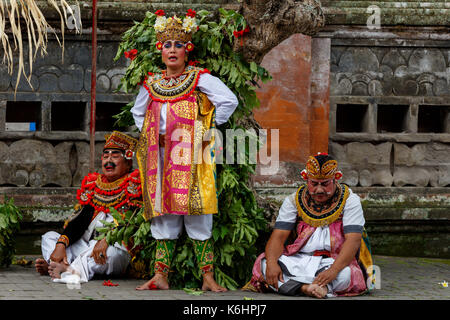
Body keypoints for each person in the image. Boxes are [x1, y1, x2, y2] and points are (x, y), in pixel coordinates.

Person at [131, 10, 238, 292]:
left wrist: (205, 131)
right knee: (164, 212)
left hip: (195, 156)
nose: (173, 50)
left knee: (198, 210)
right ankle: (160, 276)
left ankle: (207, 278)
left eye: (178, 45)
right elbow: (138, 113)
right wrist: (155, 137)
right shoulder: (151, 84)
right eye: (167, 45)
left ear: (187, 49)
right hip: (163, 156)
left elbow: (228, 100)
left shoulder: (199, 79)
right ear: (160, 51)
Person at [248, 153, 373, 298]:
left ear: (336, 178)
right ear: (306, 179)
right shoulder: (294, 200)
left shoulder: (350, 201)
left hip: (333, 260)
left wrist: (333, 270)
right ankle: (309, 288)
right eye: (314, 184)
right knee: (263, 265)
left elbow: (353, 240)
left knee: (346, 274)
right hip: (300, 259)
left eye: (325, 184)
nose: (319, 190)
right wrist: (271, 263)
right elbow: (278, 236)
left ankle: (302, 286)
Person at [35, 131, 142, 284]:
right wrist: (61, 245)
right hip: (86, 245)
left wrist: (108, 239)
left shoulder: (134, 185)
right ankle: (58, 265)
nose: (108, 161)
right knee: (49, 237)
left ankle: (65, 269)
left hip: (113, 247)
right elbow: (80, 221)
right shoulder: (94, 185)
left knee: (113, 254)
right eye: (105, 156)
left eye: (115, 156)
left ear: (128, 162)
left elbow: (134, 223)